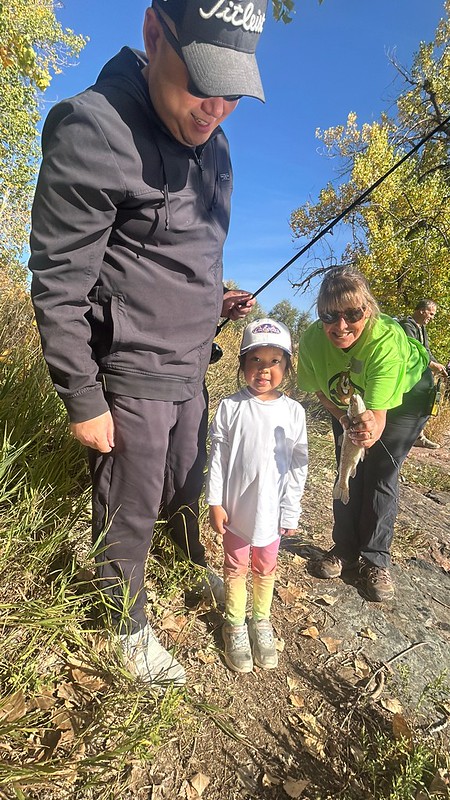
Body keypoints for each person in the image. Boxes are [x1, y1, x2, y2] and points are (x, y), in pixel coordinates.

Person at [29, 0, 268, 686]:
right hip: (132, 373)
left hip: (193, 365)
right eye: (202, 79)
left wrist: (213, 300)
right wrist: (81, 396)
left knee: (192, 479)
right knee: (129, 507)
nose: (215, 107)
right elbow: (59, 281)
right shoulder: (95, 127)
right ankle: (126, 623)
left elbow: (178, 253)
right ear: (154, 32)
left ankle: (186, 552)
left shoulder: (213, 143)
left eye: (233, 90)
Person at [297, 267, 432, 603]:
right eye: (329, 315)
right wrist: (345, 418)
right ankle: (344, 550)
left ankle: (375, 559)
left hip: (408, 397)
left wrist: (365, 427)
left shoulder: (385, 341)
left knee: (380, 472)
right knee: (349, 470)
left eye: (352, 313)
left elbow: (376, 427)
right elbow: (319, 391)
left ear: (367, 309)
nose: (340, 326)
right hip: (351, 399)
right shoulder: (314, 341)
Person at [206, 319, 308, 673]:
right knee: (235, 566)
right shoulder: (230, 407)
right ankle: (234, 623)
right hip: (235, 510)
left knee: (266, 566)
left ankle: (260, 620)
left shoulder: (295, 413)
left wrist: (290, 511)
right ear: (243, 364)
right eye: (256, 361)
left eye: (274, 361)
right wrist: (214, 501)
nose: (264, 370)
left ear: (287, 366)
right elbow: (217, 457)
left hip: (271, 513)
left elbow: (298, 467)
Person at [397, 299, 447, 449]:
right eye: (431, 313)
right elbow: (412, 350)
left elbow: (426, 352)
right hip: (408, 376)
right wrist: (432, 365)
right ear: (421, 310)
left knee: (429, 402)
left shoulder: (422, 328)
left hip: (419, 375)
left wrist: (439, 366)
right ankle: (406, 437)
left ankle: (418, 435)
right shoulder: (406, 325)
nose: (432, 317)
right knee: (414, 404)